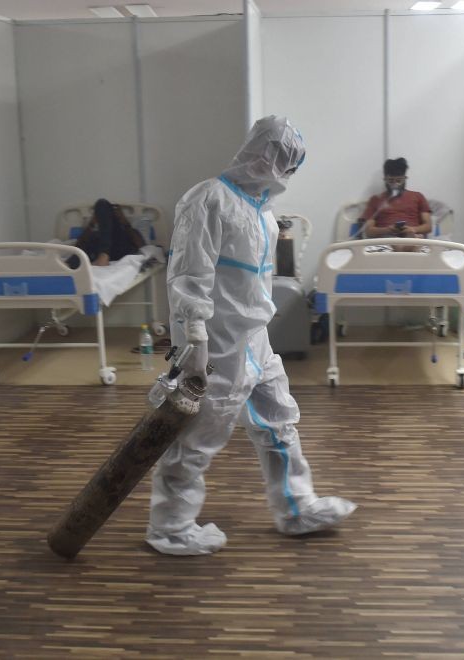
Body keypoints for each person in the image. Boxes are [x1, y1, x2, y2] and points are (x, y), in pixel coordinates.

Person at [146, 115, 357, 556]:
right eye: (286, 162)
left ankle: (296, 508)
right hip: (219, 344)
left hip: (255, 338)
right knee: (197, 438)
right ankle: (170, 527)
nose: (288, 174)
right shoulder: (208, 200)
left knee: (280, 422)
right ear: (266, 156)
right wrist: (195, 342)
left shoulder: (260, 207)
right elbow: (188, 275)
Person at [360, 158, 432, 250]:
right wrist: (388, 229)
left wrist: (413, 229)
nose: (395, 184)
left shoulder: (418, 196)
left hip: (412, 234)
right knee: (391, 240)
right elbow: (368, 231)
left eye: (399, 180)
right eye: (391, 180)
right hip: (385, 238)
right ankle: (404, 247)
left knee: (411, 237)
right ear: (385, 179)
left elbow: (428, 226)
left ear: (405, 179)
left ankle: (406, 244)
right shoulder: (376, 200)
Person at [69, 198, 145, 268]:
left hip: (120, 249)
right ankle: (70, 264)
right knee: (86, 247)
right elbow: (79, 246)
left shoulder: (125, 231)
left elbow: (142, 246)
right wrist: (92, 222)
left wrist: (123, 220)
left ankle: (104, 255)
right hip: (99, 249)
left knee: (102, 203)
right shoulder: (96, 234)